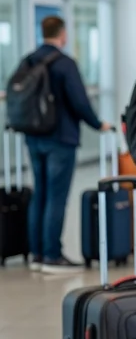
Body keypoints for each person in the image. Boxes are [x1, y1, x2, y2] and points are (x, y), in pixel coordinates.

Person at [22, 16, 112, 273]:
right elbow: (80, 102)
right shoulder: (64, 63)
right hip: (60, 139)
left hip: (34, 136)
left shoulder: (29, 60)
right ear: (62, 34)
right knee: (56, 197)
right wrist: (98, 124)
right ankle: (52, 255)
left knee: (40, 193)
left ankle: (36, 254)